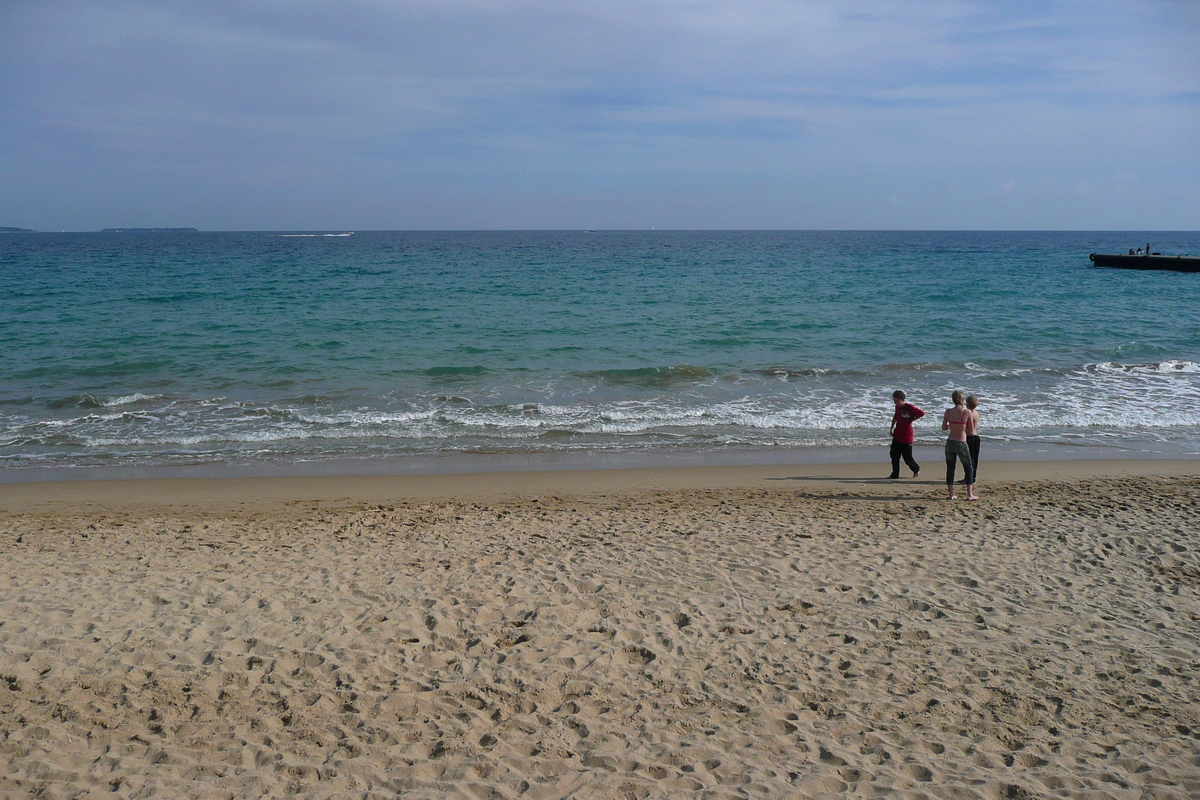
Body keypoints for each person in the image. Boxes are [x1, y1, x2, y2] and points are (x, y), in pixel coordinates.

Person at [941, 390, 978, 500]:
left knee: (950, 468)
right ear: (963, 400)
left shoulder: (948, 412)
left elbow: (943, 428)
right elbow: (971, 429)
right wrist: (960, 426)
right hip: (961, 442)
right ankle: (969, 494)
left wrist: (953, 425)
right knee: (968, 467)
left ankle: (951, 494)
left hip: (950, 441)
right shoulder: (967, 412)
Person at [888, 390, 924, 479]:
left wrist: (912, 419)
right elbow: (895, 417)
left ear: (903, 400)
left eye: (897, 401)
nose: (896, 403)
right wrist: (891, 428)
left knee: (907, 458)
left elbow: (921, 413)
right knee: (894, 456)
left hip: (907, 436)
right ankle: (895, 474)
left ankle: (916, 469)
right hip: (897, 434)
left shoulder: (909, 407)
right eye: (894, 401)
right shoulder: (897, 408)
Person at [963, 394, 981, 484]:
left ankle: (969, 478)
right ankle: (971, 477)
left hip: (969, 437)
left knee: (968, 459)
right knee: (974, 459)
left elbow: (966, 426)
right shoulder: (976, 413)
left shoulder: (968, 413)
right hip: (976, 436)